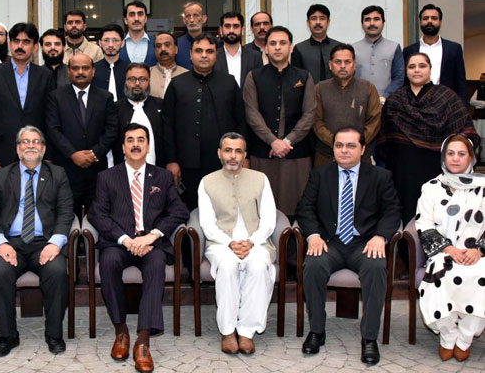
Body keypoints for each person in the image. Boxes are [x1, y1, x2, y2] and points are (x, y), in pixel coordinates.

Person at [296, 126, 401, 366]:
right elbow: (305, 209)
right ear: (333, 149)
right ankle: (317, 331)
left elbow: (393, 211)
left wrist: (380, 237)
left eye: (351, 145)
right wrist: (312, 235)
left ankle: (369, 338)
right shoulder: (320, 174)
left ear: (363, 149)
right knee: (313, 265)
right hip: (328, 242)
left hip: (364, 244)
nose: (344, 151)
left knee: (376, 268)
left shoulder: (380, 176)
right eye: (339, 145)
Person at [89, 123, 189, 373]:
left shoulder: (163, 176)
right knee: (109, 262)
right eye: (130, 140)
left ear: (148, 146)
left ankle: (143, 340)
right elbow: (97, 214)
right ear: (123, 147)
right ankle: (121, 331)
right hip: (118, 242)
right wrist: (125, 239)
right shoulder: (107, 177)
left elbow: (179, 211)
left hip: (151, 244)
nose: (135, 144)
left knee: (156, 264)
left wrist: (152, 236)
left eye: (141, 140)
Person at [0, 126, 73, 356]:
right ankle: (8, 336)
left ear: (43, 147)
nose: (30, 145)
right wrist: (0, 243)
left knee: (57, 271)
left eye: (36, 141)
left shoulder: (58, 174)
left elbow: (65, 212)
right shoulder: (1, 176)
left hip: (45, 242)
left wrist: (55, 243)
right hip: (11, 243)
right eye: (25, 141)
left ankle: (53, 333)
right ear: (17, 148)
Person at [377, 52, 479, 226]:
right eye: (412, 67)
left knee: (435, 215)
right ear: (406, 71)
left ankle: (438, 250)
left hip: (435, 169)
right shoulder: (395, 100)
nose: (417, 70)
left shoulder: (447, 97)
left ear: (430, 70)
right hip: (402, 171)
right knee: (406, 215)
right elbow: (385, 139)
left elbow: (467, 133)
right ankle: (407, 250)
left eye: (422, 66)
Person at [198, 132, 276, 355]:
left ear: (244, 155)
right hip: (221, 243)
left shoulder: (260, 179)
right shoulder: (207, 182)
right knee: (229, 266)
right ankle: (228, 330)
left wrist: (251, 242)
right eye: (228, 150)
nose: (233, 156)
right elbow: (207, 223)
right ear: (220, 154)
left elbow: (269, 219)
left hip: (257, 241)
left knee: (259, 266)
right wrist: (231, 243)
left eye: (238, 151)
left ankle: (246, 331)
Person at [415, 134, 485, 362]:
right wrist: (448, 249)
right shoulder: (431, 187)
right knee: (439, 277)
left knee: (480, 277)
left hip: (477, 254)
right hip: (443, 253)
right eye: (450, 153)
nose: (455, 159)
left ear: (471, 157)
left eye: (461, 154)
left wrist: (479, 250)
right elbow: (423, 223)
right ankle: (448, 336)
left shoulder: (483, 187)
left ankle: (465, 339)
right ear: (444, 157)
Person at [163, 32, 247, 210]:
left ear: (216, 55)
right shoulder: (177, 84)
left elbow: (241, 122)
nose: (204, 55)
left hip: (223, 162)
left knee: (224, 209)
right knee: (190, 209)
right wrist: (171, 160)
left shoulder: (229, 83)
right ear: (190, 55)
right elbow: (167, 125)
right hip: (187, 164)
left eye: (209, 51)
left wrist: (242, 155)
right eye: (199, 51)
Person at [245, 26, 316, 217]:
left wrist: (287, 142)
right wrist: (273, 141)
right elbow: (252, 113)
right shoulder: (254, 76)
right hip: (263, 152)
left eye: (282, 43)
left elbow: (309, 114)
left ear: (291, 47)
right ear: (266, 49)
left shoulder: (304, 76)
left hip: (297, 153)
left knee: (298, 206)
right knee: (263, 206)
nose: (277, 48)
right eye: (272, 43)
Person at [46, 54, 118, 217]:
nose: (80, 72)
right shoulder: (55, 97)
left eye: (85, 68)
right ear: (68, 72)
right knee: (65, 216)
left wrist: (94, 154)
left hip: (97, 170)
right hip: (66, 169)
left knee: (98, 216)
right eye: (75, 68)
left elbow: (112, 129)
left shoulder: (105, 97)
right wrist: (72, 154)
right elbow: (53, 130)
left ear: (93, 71)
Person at [0, 23, 54, 172]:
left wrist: (49, 155)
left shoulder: (45, 75)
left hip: (36, 151)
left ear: (35, 47)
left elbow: (50, 118)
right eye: (16, 41)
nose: (20, 46)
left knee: (35, 195)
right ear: (10, 43)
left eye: (26, 42)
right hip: (1, 152)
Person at [313, 43, 381, 167]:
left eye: (347, 62)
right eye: (338, 62)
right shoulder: (320, 88)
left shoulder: (368, 88)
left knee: (362, 186)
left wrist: (354, 144)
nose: (343, 66)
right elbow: (316, 122)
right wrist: (337, 143)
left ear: (354, 65)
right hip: (326, 156)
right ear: (330, 65)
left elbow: (374, 121)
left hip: (360, 157)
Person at [403, 4, 467, 103]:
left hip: (446, 104)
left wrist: (463, 107)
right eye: (425, 18)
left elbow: (460, 81)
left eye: (434, 18)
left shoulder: (454, 49)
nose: (429, 21)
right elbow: (405, 82)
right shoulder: (409, 51)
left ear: (440, 22)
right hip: (416, 104)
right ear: (420, 22)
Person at [113, 63, 165, 167]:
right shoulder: (115, 108)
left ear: (149, 82)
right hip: (122, 174)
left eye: (142, 79)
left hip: (157, 171)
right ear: (125, 82)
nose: (137, 83)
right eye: (132, 79)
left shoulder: (162, 105)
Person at [353, 5, 404, 102]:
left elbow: (398, 78)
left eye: (376, 19)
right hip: (359, 103)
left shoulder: (394, 47)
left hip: (387, 103)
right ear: (362, 24)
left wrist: (385, 96)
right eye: (367, 20)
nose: (372, 23)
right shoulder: (353, 49)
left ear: (383, 23)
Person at [291, 4, 340, 83]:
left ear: (328, 22)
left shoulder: (339, 47)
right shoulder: (299, 49)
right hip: (308, 94)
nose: (318, 22)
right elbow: (296, 78)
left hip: (336, 94)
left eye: (322, 18)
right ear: (308, 22)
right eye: (314, 18)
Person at [215, 11, 262, 88]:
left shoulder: (255, 57)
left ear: (243, 30)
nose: (231, 30)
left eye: (236, 26)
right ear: (220, 30)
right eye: (227, 26)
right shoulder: (213, 57)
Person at [93, 24, 128, 101]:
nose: (111, 45)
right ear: (100, 43)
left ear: (122, 43)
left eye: (115, 40)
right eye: (106, 40)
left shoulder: (130, 69)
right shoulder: (92, 69)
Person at [149, 32, 188, 99]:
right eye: (158, 46)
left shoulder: (187, 75)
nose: (163, 49)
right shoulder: (147, 74)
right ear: (155, 51)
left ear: (176, 49)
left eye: (167, 45)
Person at [175, 2, 212, 70]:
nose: (192, 20)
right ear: (184, 20)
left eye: (196, 15)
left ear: (204, 18)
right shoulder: (176, 44)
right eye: (188, 16)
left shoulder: (214, 43)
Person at [120, 1, 156, 66]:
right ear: (125, 20)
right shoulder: (118, 43)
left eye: (140, 14)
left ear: (145, 19)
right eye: (132, 15)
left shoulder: (156, 42)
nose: (136, 18)